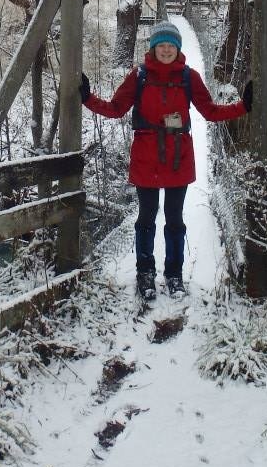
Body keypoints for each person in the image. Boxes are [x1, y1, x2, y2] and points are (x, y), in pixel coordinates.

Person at [80, 20, 253, 299]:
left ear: (178, 48)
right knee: (146, 218)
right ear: (152, 48)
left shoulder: (188, 77)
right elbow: (116, 108)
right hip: (146, 158)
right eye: (160, 45)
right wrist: (88, 98)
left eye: (170, 45)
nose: (165, 50)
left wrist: (243, 107)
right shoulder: (138, 76)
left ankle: (174, 275)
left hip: (177, 158)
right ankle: (145, 273)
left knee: (174, 219)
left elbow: (209, 111)